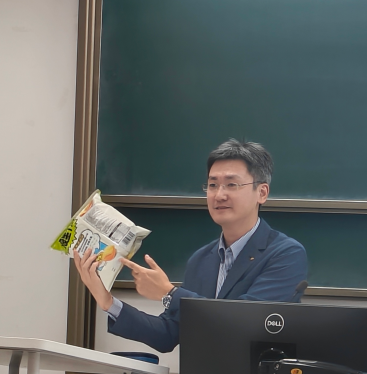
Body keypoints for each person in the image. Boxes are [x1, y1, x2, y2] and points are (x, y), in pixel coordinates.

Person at [73, 139, 307, 353]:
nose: (219, 195)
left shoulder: (286, 254)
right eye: (212, 185)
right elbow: (168, 334)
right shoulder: (201, 259)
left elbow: (245, 321)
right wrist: (108, 302)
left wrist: (169, 293)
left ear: (262, 193)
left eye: (231, 184)